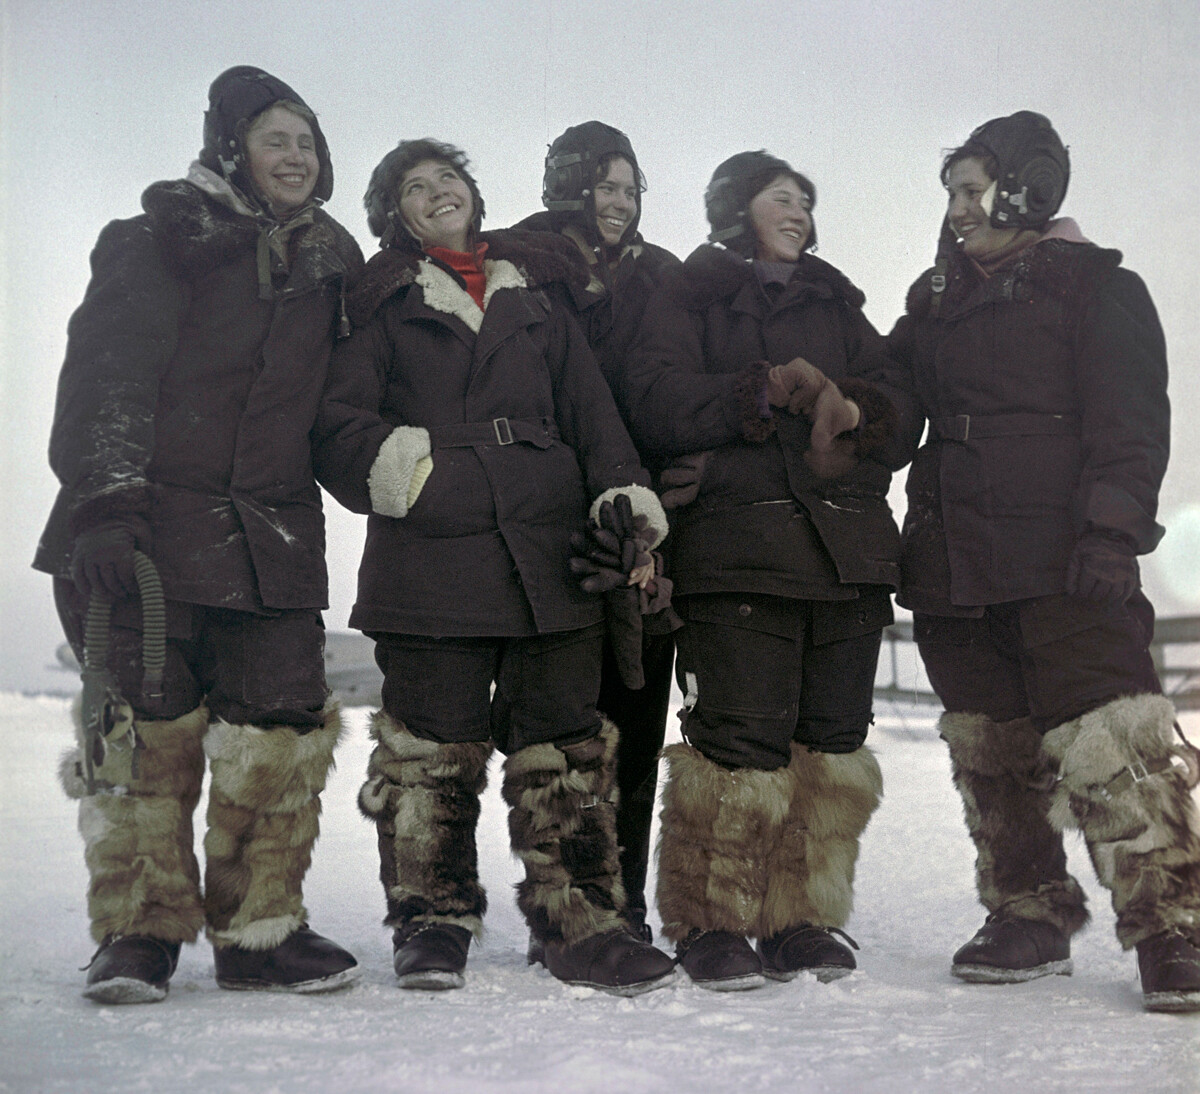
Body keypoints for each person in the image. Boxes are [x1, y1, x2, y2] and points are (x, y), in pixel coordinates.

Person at [313, 139, 676, 996]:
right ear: (393, 216)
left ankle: (580, 922)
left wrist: (622, 496)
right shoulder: (381, 303)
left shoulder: (534, 294)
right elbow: (337, 424)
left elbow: (590, 409)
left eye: (449, 179)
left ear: (474, 195)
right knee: (429, 749)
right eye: (415, 187)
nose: (438, 192)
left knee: (564, 744)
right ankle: (430, 920)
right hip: (432, 558)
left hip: (551, 551)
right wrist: (417, 475)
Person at [34, 66, 364, 1004]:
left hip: (274, 541)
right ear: (232, 149)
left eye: (307, 141)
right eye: (275, 139)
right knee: (145, 744)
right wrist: (104, 503)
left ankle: (261, 933)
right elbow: (109, 375)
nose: (296, 156)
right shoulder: (155, 241)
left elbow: (339, 408)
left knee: (277, 738)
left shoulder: (334, 266)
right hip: (148, 536)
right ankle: (138, 935)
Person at [886, 111, 1200, 1013]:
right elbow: (896, 400)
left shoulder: (1096, 289)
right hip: (955, 558)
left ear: (1030, 188)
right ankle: (1025, 908)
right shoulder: (934, 300)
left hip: (1063, 558)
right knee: (992, 745)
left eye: (973, 188)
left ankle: (1172, 923)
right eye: (949, 192)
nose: (957, 208)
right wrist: (853, 409)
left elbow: (1132, 424)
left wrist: (1111, 532)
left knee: (1114, 740)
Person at [624, 151, 905, 990]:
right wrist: (761, 391)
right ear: (734, 209)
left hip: (847, 555)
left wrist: (858, 407)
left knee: (830, 741)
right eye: (781, 198)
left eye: (807, 203)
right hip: (735, 553)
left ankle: (801, 919)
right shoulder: (691, 295)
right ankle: (711, 924)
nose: (799, 214)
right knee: (735, 742)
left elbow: (903, 403)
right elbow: (655, 397)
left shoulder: (839, 304)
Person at [513, 121, 682, 941]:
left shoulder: (664, 277)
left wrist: (681, 482)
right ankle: (572, 904)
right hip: (552, 524)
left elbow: (681, 384)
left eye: (630, 189)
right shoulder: (522, 266)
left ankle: (629, 902)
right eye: (605, 186)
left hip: (646, 526)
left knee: (640, 716)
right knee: (565, 730)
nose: (618, 203)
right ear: (570, 185)